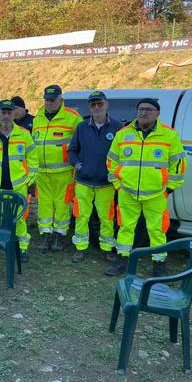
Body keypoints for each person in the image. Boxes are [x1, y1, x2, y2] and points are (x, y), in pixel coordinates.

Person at [106, 98, 186, 276]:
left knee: (157, 231)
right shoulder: (123, 134)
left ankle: (159, 265)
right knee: (125, 228)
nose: (144, 113)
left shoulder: (169, 135)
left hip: (156, 194)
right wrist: (118, 185)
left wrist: (169, 188)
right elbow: (112, 161)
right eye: (141, 109)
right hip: (127, 192)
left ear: (157, 113)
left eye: (149, 110)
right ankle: (122, 260)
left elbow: (178, 165)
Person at [0, 99, 38, 261]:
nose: (6, 116)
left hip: (18, 185)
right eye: (3, 112)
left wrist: (30, 177)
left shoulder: (24, 134)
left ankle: (22, 248)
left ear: (14, 114)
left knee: (19, 218)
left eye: (9, 113)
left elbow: (32, 157)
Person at [68, 91, 123, 263]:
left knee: (106, 218)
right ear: (89, 107)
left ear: (107, 105)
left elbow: (124, 155)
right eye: (93, 104)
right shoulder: (82, 127)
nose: (97, 107)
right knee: (81, 216)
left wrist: (116, 174)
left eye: (100, 104)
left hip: (106, 183)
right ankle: (80, 248)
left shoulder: (117, 128)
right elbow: (72, 150)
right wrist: (77, 164)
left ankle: (106, 249)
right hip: (83, 182)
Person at [32, 84, 82, 253]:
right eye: (47, 100)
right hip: (42, 173)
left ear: (61, 99)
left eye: (53, 100)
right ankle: (45, 234)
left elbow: (81, 144)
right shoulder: (37, 117)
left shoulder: (73, 118)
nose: (49, 103)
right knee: (44, 204)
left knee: (62, 204)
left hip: (64, 172)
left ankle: (59, 235)